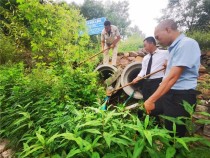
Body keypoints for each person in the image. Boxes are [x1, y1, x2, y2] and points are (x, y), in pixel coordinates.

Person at [144, 19, 201, 137]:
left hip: (181, 95)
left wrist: (151, 99)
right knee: (156, 114)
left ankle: (173, 151)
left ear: (168, 30)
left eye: (157, 36)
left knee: (174, 133)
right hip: (170, 92)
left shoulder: (186, 44)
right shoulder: (173, 48)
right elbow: (169, 74)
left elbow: (172, 77)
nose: (157, 40)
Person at [132, 36, 169, 101]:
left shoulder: (165, 53)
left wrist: (167, 63)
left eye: (145, 45)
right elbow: (143, 70)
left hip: (158, 81)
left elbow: (174, 62)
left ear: (151, 43)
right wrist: (137, 78)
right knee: (146, 99)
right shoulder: (146, 58)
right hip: (146, 82)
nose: (144, 48)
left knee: (158, 101)